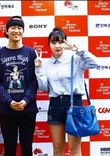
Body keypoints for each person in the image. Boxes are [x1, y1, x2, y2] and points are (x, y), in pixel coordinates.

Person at [34, 27, 98, 156]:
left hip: (74, 103)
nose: (57, 45)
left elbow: (95, 63)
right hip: (55, 105)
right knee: (57, 148)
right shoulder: (46, 63)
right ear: (49, 44)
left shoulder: (75, 59)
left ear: (65, 43)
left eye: (61, 42)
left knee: (74, 150)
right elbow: (44, 87)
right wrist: (39, 68)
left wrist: (79, 50)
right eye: (53, 42)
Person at [0, 16, 38, 156]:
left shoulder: (31, 53)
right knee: (9, 148)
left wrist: (27, 99)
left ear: (23, 31)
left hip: (28, 109)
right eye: (13, 27)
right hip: (7, 110)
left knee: (27, 147)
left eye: (19, 28)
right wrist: (9, 101)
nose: (16, 30)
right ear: (6, 30)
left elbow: (36, 80)